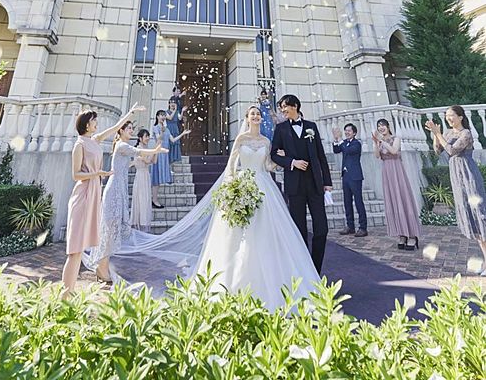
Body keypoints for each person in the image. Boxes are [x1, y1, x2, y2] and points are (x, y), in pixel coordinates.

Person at [112, 105, 320, 311]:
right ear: (247, 118)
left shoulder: (266, 141)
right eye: (252, 114)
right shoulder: (241, 139)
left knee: (266, 231)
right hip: (244, 184)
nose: (256, 116)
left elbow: (267, 166)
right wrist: (232, 186)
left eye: (258, 114)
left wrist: (279, 160)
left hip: (264, 188)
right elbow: (232, 165)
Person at [62, 105, 142, 295]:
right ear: (87, 125)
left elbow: (115, 128)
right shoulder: (79, 145)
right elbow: (76, 174)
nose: (97, 123)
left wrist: (130, 113)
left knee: (80, 250)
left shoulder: (95, 140)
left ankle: (69, 293)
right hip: (83, 195)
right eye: (94, 121)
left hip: (94, 194)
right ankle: (65, 294)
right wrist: (97, 173)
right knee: (75, 251)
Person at [87, 120, 167, 283]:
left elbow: (135, 157)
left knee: (112, 230)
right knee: (109, 230)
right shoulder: (122, 146)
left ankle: (102, 266)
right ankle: (101, 267)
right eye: (128, 128)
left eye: (132, 128)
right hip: (114, 191)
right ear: (121, 131)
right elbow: (137, 151)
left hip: (120, 190)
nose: (131, 131)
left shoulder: (123, 146)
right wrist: (155, 149)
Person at [271, 94, 332, 274]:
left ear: (295, 106)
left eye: (285, 106)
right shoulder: (281, 129)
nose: (283, 110)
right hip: (295, 185)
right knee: (299, 230)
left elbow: (321, 156)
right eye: (281, 108)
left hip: (315, 184)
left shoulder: (311, 127)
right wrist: (292, 162)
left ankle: (315, 269)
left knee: (321, 229)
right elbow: (273, 154)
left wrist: (327, 182)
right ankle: (304, 271)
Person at [426, 105, 486, 273]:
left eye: (451, 115)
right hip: (457, 178)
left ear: (460, 117)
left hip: (469, 175)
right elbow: (438, 151)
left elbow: (452, 150)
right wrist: (435, 134)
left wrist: (438, 134)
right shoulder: (447, 133)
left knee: (479, 215)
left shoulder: (466, 133)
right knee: (472, 219)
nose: (448, 118)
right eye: (447, 115)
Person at [372, 118, 421, 250]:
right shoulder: (380, 141)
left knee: (403, 199)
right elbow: (377, 156)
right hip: (387, 172)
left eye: (383, 125)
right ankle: (401, 233)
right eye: (379, 126)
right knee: (393, 201)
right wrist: (376, 143)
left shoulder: (396, 138)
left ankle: (412, 235)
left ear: (388, 126)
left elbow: (394, 151)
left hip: (397, 171)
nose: (381, 128)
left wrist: (383, 142)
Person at [332, 123, 368, 237]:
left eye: (349, 131)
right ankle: (350, 226)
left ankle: (363, 227)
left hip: (355, 176)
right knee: (347, 201)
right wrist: (336, 139)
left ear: (354, 133)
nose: (347, 132)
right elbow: (336, 150)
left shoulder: (356, 144)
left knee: (358, 201)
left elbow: (347, 150)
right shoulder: (345, 143)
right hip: (346, 175)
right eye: (345, 130)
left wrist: (340, 140)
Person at [151, 110, 190, 208]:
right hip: (158, 154)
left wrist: (182, 134)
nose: (163, 117)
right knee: (156, 179)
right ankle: (154, 200)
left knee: (159, 179)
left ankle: (154, 199)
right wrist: (162, 131)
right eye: (161, 115)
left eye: (164, 115)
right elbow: (158, 139)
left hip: (164, 155)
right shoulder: (155, 128)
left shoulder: (167, 129)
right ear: (157, 116)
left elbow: (172, 140)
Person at [130, 129, 157, 232]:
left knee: (145, 200)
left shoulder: (146, 149)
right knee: (141, 200)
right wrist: (155, 150)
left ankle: (144, 224)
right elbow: (147, 160)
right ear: (140, 138)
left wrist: (156, 151)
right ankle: (140, 225)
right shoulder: (138, 149)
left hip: (146, 175)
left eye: (148, 136)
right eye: (146, 136)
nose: (148, 138)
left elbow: (154, 161)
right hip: (140, 176)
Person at [166, 97, 184, 163]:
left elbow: (180, 118)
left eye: (174, 103)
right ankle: (169, 161)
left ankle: (173, 160)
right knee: (169, 144)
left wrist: (182, 111)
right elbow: (170, 118)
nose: (173, 104)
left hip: (175, 128)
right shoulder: (166, 112)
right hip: (169, 128)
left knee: (175, 144)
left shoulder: (177, 112)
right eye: (171, 103)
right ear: (169, 104)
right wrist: (174, 110)